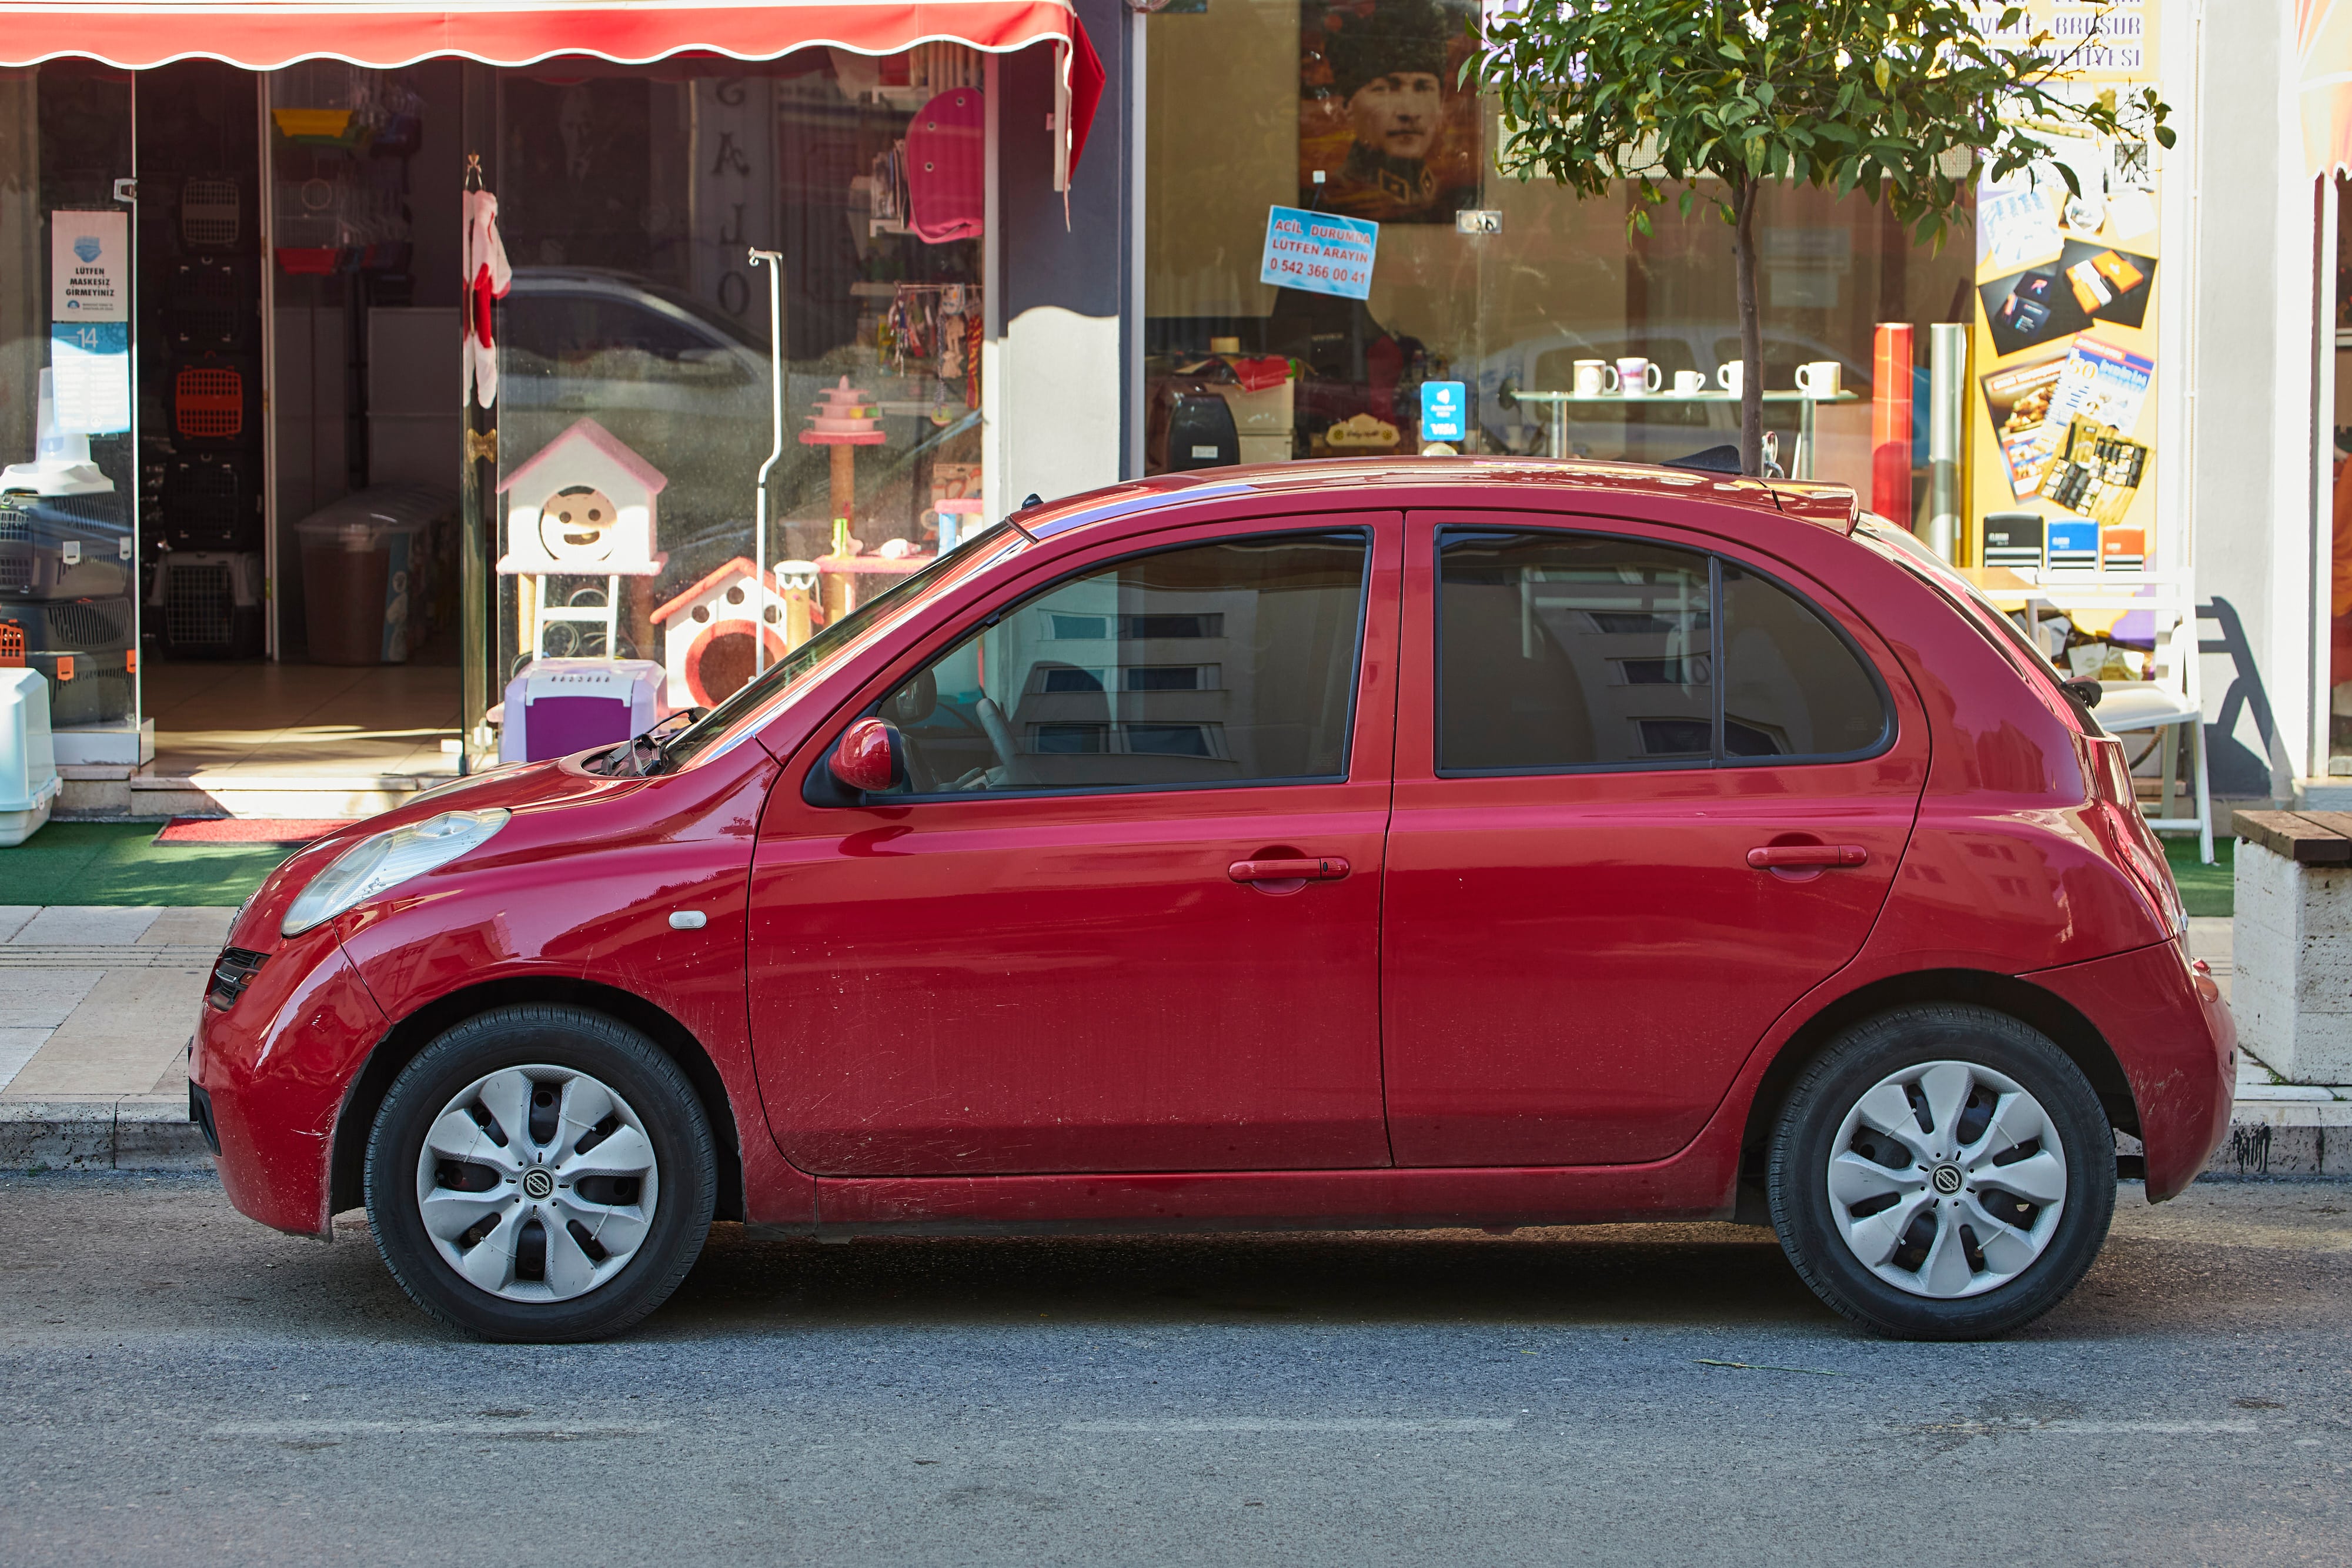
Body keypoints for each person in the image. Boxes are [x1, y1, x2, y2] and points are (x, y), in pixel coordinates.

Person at [1306, 0, 1476, 223]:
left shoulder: (1455, 196)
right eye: (1385, 89)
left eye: (1423, 87)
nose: (1409, 111)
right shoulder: (1332, 200)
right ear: (1347, 108)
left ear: (1440, 105)